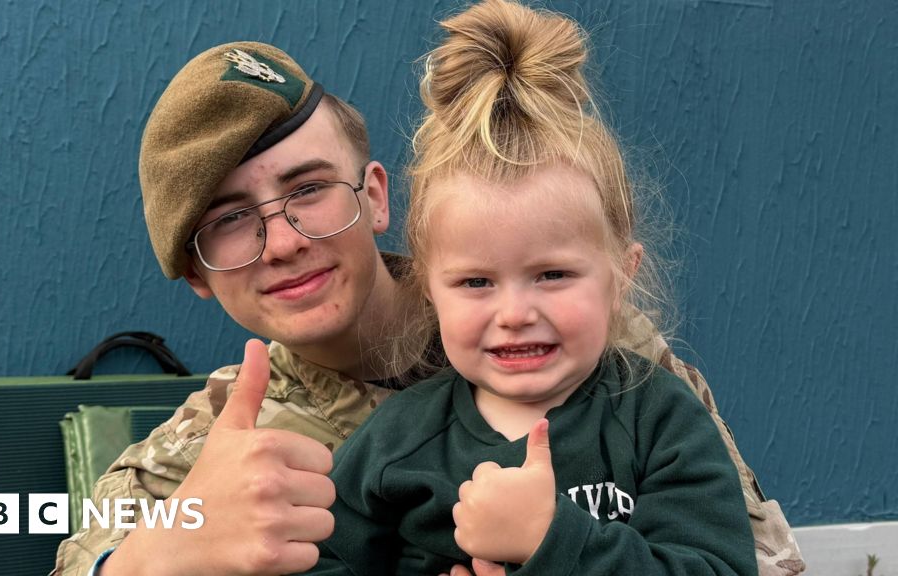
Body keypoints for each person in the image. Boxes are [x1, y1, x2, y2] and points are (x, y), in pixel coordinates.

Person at [52, 32, 802, 576]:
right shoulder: (211, 442)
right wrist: (156, 556)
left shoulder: (594, 343)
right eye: (230, 219)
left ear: (376, 197)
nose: (281, 241)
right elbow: (85, 558)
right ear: (197, 273)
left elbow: (757, 557)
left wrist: (557, 541)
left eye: (308, 189)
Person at [307, 0, 759, 574]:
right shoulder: (398, 439)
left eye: (552, 275)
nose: (515, 313)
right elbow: (314, 557)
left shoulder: (659, 420)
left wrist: (553, 540)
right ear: (429, 291)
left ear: (622, 276)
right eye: (476, 281)